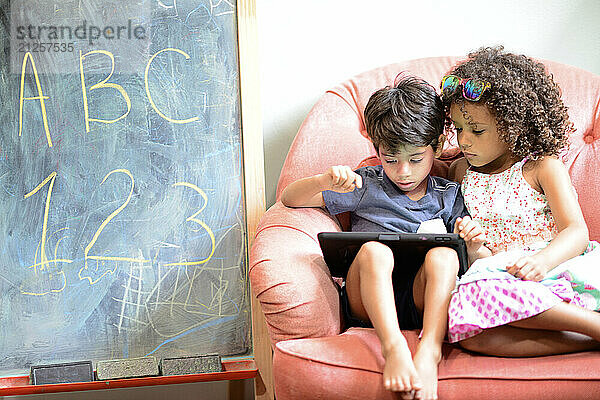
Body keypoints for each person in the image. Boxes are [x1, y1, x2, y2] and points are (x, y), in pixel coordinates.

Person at [282, 75, 485, 400]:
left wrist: (472, 243)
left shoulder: (448, 195)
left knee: (445, 254)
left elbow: (475, 261)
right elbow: (291, 199)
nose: (403, 171)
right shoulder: (366, 185)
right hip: (368, 298)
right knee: (375, 252)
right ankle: (394, 349)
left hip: (422, 298)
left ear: (436, 147)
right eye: (391, 159)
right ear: (377, 150)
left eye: (416, 159)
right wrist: (324, 181)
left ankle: (430, 349)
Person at [442, 46, 600, 356]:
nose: (463, 140)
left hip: (554, 267)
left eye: (477, 130)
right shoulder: (459, 171)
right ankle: (591, 337)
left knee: (483, 293)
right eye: (458, 128)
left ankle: (591, 325)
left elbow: (576, 231)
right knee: (469, 332)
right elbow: (473, 247)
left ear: (515, 126)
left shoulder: (542, 167)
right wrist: (472, 246)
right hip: (500, 278)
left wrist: (541, 262)